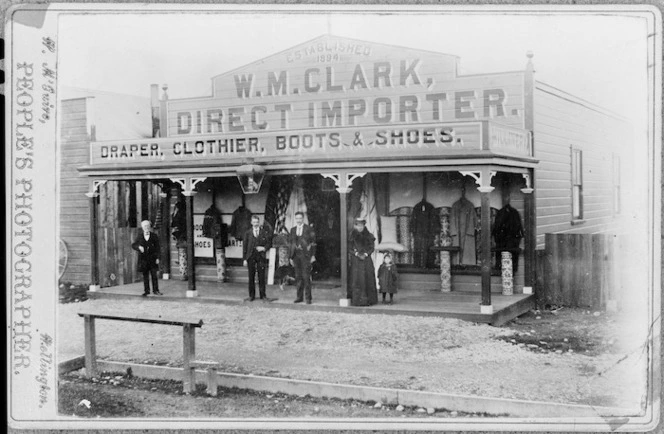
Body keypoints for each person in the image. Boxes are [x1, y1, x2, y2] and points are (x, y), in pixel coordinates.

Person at [242, 215, 273, 302]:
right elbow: (244, 247)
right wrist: (244, 259)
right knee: (251, 276)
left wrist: (264, 248)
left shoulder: (264, 232)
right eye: (254, 222)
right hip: (250, 256)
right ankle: (251, 296)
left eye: (257, 222)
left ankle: (263, 296)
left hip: (260, 256)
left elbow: (269, 243)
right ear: (251, 223)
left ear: (259, 222)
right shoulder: (247, 233)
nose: (255, 224)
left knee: (261, 276)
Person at [348, 218, 378, 306]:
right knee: (357, 279)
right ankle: (357, 301)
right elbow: (349, 248)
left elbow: (371, 248)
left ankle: (368, 300)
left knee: (367, 278)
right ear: (355, 226)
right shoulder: (351, 236)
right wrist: (356, 253)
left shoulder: (369, 235)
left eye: (361, 225)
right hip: (356, 261)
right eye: (358, 225)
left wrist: (365, 254)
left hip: (366, 260)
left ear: (364, 225)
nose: (360, 227)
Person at [289, 211, 316, 304]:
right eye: (297, 218)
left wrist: (313, 255)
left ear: (303, 219)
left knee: (306, 277)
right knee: (298, 277)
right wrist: (291, 257)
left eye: (300, 218)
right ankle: (299, 297)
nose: (298, 220)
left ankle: (308, 298)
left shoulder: (309, 229)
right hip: (296, 256)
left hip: (306, 256)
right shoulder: (292, 230)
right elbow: (291, 244)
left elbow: (313, 243)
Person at [131, 220, 162, 297]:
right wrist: (139, 247)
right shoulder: (140, 236)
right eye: (145, 226)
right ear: (142, 227)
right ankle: (146, 291)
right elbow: (134, 245)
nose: (147, 227)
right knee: (145, 276)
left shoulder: (154, 236)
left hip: (152, 258)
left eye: (148, 226)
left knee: (154, 275)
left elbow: (158, 248)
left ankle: (156, 290)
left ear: (150, 227)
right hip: (143, 259)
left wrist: (158, 258)